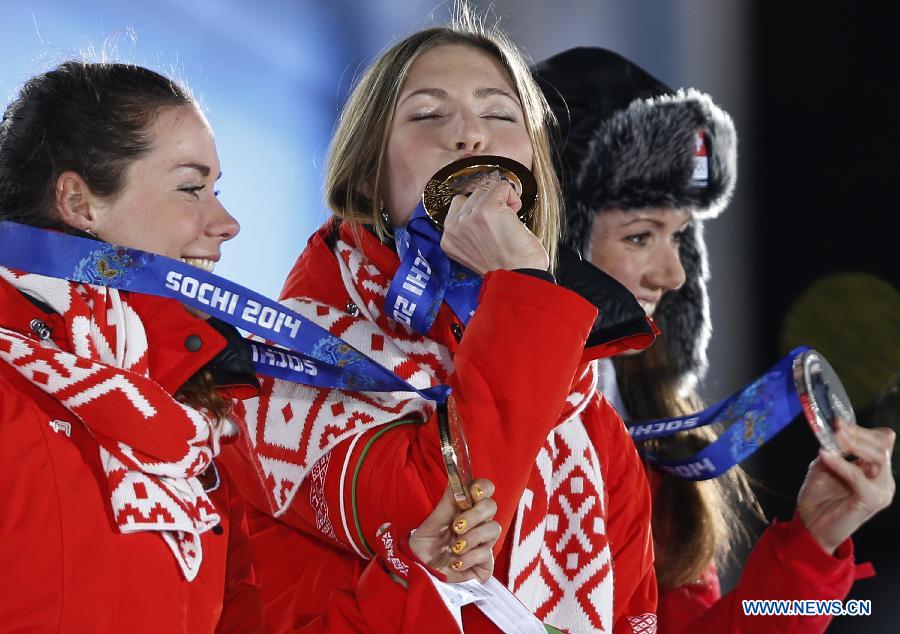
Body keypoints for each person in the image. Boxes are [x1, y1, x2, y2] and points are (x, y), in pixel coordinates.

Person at [0, 60, 503, 633]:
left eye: (217, 190)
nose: (226, 222)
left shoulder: (199, 426)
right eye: (191, 188)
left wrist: (415, 572)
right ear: (79, 202)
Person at [219, 12, 661, 634]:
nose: (470, 136)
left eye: (501, 115)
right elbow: (450, 511)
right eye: (427, 115)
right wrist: (524, 286)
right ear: (369, 173)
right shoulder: (287, 362)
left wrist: (806, 571)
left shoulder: (584, 409)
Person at [532, 46, 897, 633]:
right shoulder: (459, 406)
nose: (672, 275)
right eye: (639, 236)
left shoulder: (649, 421)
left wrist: (814, 547)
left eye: (679, 237)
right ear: (554, 239)